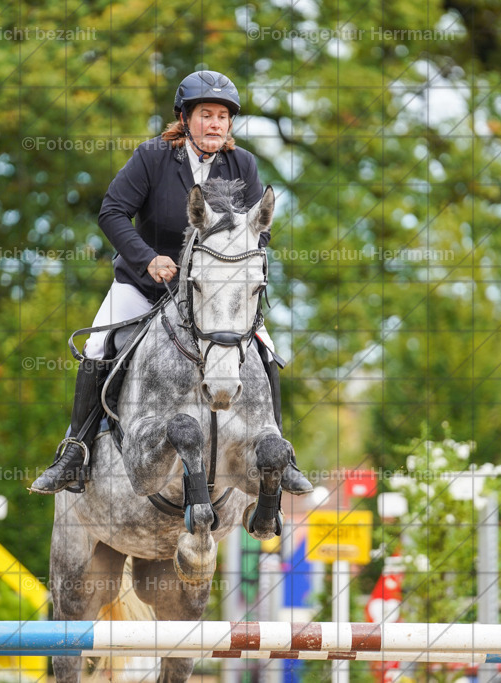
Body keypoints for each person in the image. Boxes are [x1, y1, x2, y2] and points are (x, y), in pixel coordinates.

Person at [30, 70, 312, 495]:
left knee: (265, 348)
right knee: (97, 345)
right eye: (206, 115)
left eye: (222, 117)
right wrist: (147, 259)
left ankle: (282, 454)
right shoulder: (152, 157)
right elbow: (112, 212)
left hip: (212, 296)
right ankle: (76, 451)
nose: (215, 124)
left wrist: (230, 265)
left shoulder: (243, 164)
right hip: (146, 286)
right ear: (185, 118)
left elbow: (259, 231)